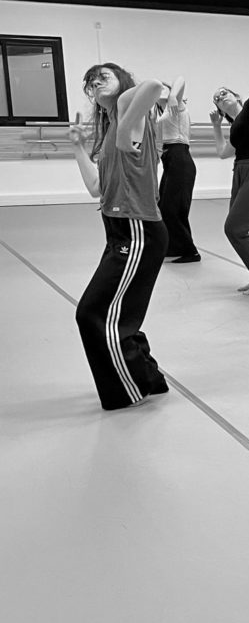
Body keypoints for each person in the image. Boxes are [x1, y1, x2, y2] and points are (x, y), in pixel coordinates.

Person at [68, 63, 169, 410]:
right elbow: (97, 188)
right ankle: (150, 377)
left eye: (103, 77)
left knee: (93, 313)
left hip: (138, 229)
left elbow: (154, 84)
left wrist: (124, 97)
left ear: (123, 84)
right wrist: (79, 147)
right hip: (118, 230)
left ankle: (130, 389)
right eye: (90, 82)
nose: (95, 83)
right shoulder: (112, 128)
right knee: (122, 311)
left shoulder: (132, 117)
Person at [210, 80, 249, 295]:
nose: (221, 97)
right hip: (240, 173)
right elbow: (223, 153)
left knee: (234, 229)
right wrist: (217, 127)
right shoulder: (236, 127)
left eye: (224, 93)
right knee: (236, 229)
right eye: (217, 99)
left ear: (236, 96)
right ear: (219, 109)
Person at [155, 76, 200, 263]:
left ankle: (190, 251)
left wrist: (174, 95)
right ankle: (174, 247)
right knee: (164, 207)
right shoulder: (160, 112)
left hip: (180, 158)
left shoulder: (177, 105)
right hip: (169, 160)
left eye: (162, 88)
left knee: (174, 209)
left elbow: (181, 78)